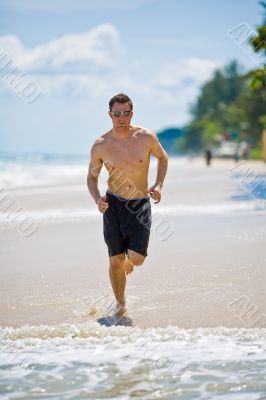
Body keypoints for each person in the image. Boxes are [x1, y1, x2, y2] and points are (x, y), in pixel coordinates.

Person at [87, 93, 168, 317]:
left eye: (125, 113)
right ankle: (121, 305)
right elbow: (91, 178)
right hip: (113, 205)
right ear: (109, 114)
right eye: (116, 113)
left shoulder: (146, 137)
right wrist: (97, 200)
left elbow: (163, 158)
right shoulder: (101, 145)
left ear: (132, 114)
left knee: (137, 259)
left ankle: (129, 261)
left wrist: (159, 184)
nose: (121, 117)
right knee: (114, 261)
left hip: (140, 204)